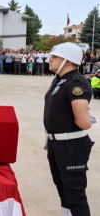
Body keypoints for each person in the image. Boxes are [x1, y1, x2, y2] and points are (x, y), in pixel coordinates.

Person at [44, 42, 94, 216]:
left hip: (71, 146)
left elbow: (83, 123)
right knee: (64, 193)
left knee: (75, 197)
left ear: (68, 61)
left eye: (54, 56)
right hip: (56, 144)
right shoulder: (60, 79)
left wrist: (86, 116)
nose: (49, 59)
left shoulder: (76, 83)